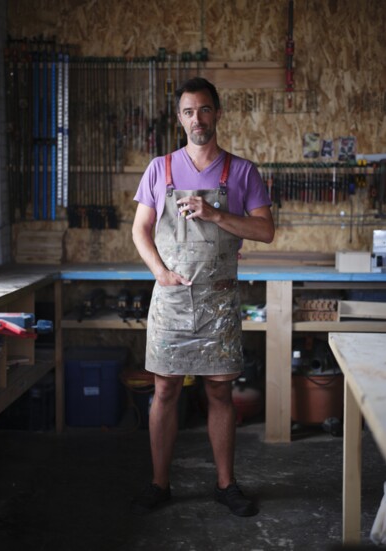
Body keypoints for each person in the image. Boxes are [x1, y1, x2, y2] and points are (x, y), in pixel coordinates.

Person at [131, 76, 274, 517]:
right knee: (165, 390)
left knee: (219, 393)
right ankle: (159, 484)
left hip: (219, 303)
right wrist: (160, 273)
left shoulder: (243, 171)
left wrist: (214, 213)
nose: (198, 118)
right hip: (172, 301)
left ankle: (226, 484)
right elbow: (140, 230)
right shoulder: (160, 169)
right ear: (180, 118)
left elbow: (265, 231)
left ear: (217, 113)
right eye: (189, 111)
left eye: (205, 109)